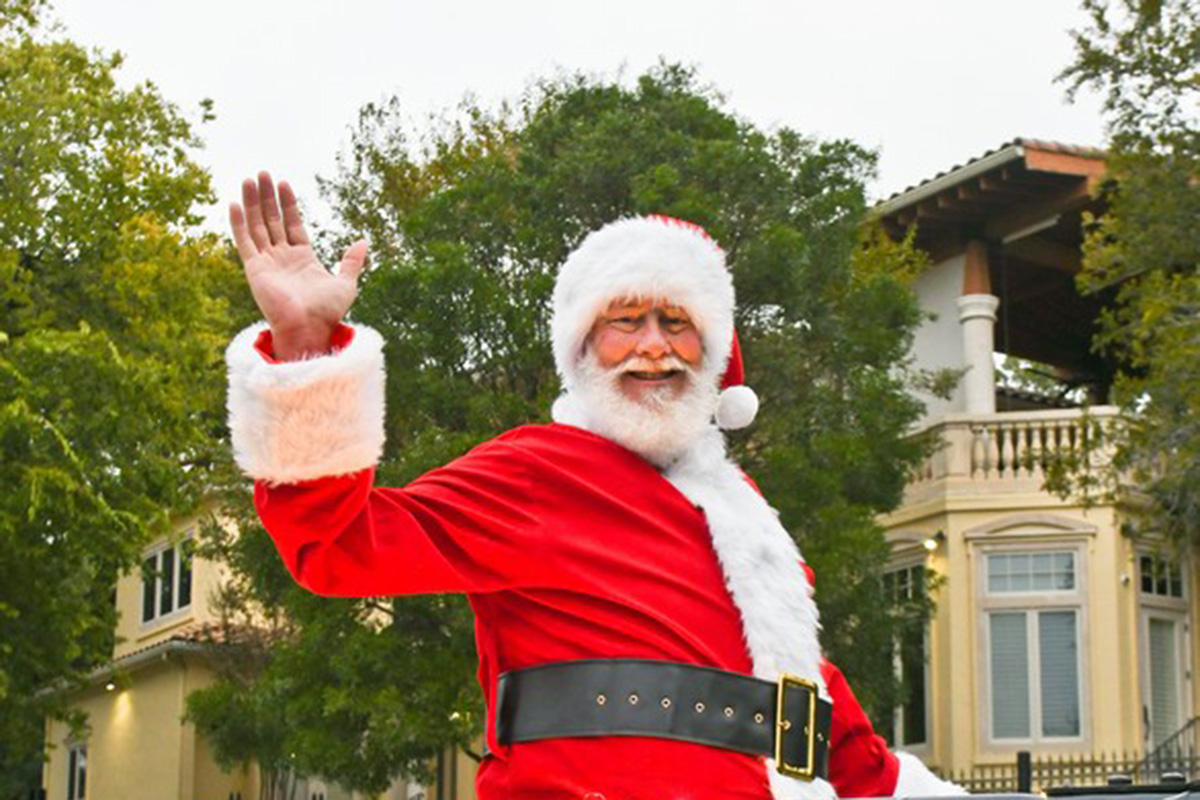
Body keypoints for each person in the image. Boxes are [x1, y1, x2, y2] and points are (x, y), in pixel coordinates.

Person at [225, 172, 963, 800]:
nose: (652, 345)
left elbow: (816, 716)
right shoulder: (534, 470)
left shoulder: (747, 523)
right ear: (582, 346)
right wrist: (305, 353)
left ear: (711, 354)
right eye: (625, 320)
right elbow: (338, 545)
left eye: (676, 320)